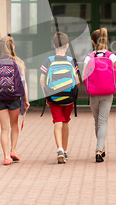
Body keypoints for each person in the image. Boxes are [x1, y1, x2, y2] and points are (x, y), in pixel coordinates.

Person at [0, 36, 30, 165]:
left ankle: (6, 157)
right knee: (14, 125)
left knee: (4, 129)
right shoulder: (18, 62)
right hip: (15, 98)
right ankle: (13, 150)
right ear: (12, 47)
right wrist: (25, 99)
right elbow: (23, 83)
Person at [83, 28, 116, 162]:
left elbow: (84, 76)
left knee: (97, 122)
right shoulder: (111, 56)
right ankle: (100, 149)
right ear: (106, 41)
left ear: (92, 42)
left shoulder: (89, 57)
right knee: (103, 121)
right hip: (108, 93)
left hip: (93, 93)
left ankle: (100, 148)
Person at [40, 32, 80, 164]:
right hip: (68, 97)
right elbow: (77, 80)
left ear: (53, 45)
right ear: (67, 45)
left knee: (57, 122)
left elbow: (42, 78)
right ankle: (66, 150)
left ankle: (60, 149)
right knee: (66, 122)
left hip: (53, 96)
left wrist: (46, 94)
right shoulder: (71, 61)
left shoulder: (49, 60)